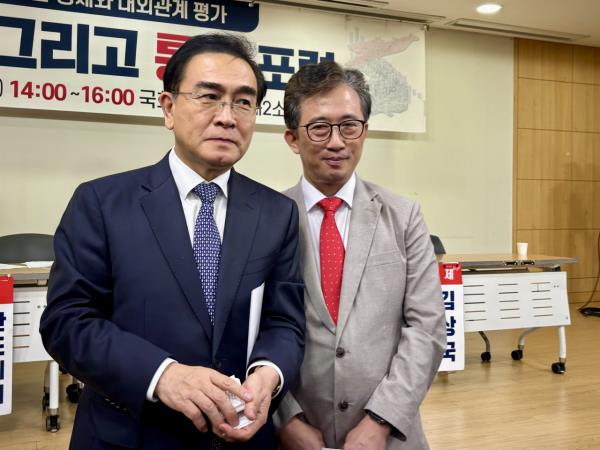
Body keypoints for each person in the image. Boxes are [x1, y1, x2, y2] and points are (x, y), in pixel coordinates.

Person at [40, 33, 305, 450]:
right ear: (168, 108)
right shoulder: (102, 203)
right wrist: (162, 374)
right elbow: (67, 322)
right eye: (208, 97)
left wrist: (268, 375)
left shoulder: (276, 213)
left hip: (241, 436)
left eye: (243, 101)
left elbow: (284, 321)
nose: (227, 116)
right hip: (131, 434)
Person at [274, 61, 446, 450]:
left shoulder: (403, 216)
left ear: (364, 131)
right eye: (319, 127)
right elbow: (248, 334)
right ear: (292, 138)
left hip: (390, 436)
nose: (337, 142)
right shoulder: (268, 219)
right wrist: (284, 419)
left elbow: (426, 327)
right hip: (294, 437)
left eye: (350, 125)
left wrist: (380, 421)